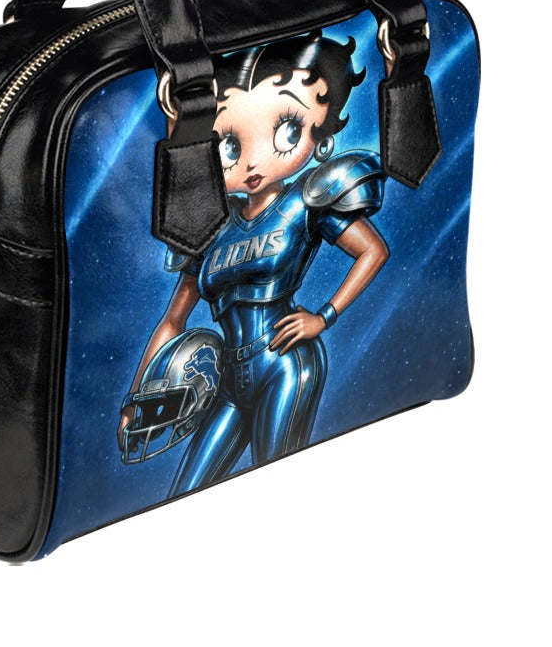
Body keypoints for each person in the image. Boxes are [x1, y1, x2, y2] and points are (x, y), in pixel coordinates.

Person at [118, 30, 390, 495]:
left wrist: (323, 317)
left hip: (285, 363)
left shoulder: (306, 199)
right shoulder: (210, 227)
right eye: (228, 144)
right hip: (227, 380)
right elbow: (173, 320)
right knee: (185, 491)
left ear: (319, 133)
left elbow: (373, 251)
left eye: (286, 130)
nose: (251, 161)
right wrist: (137, 395)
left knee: (277, 485)